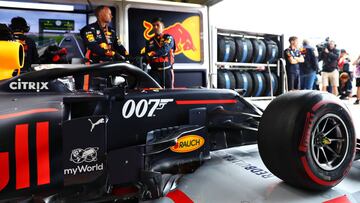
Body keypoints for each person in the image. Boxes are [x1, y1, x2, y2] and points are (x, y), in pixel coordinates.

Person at [80, 6, 129, 91]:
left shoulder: (111, 31)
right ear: (101, 14)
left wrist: (129, 56)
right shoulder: (89, 29)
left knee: (109, 91)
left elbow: (119, 46)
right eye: (109, 13)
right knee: (90, 92)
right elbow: (93, 46)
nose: (111, 16)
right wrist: (112, 53)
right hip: (93, 66)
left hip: (108, 65)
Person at [144, 17, 176, 89]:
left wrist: (151, 54)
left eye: (158, 25)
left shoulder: (168, 38)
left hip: (167, 71)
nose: (155, 27)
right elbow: (146, 57)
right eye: (154, 25)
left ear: (163, 27)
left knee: (169, 94)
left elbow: (165, 49)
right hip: (154, 72)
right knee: (154, 94)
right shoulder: (149, 41)